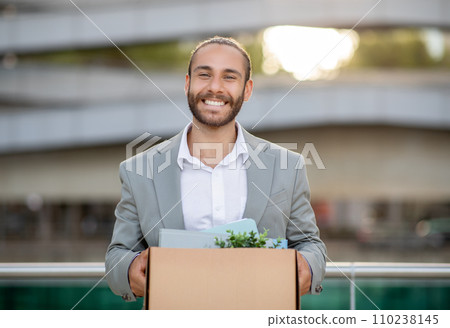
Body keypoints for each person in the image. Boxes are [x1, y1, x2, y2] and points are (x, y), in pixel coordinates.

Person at [105, 36, 327, 302]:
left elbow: (310, 245)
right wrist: (129, 269)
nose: (214, 87)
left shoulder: (288, 167)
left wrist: (308, 266)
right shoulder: (139, 170)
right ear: (188, 84)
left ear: (247, 90)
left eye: (229, 77)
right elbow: (118, 254)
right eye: (204, 75)